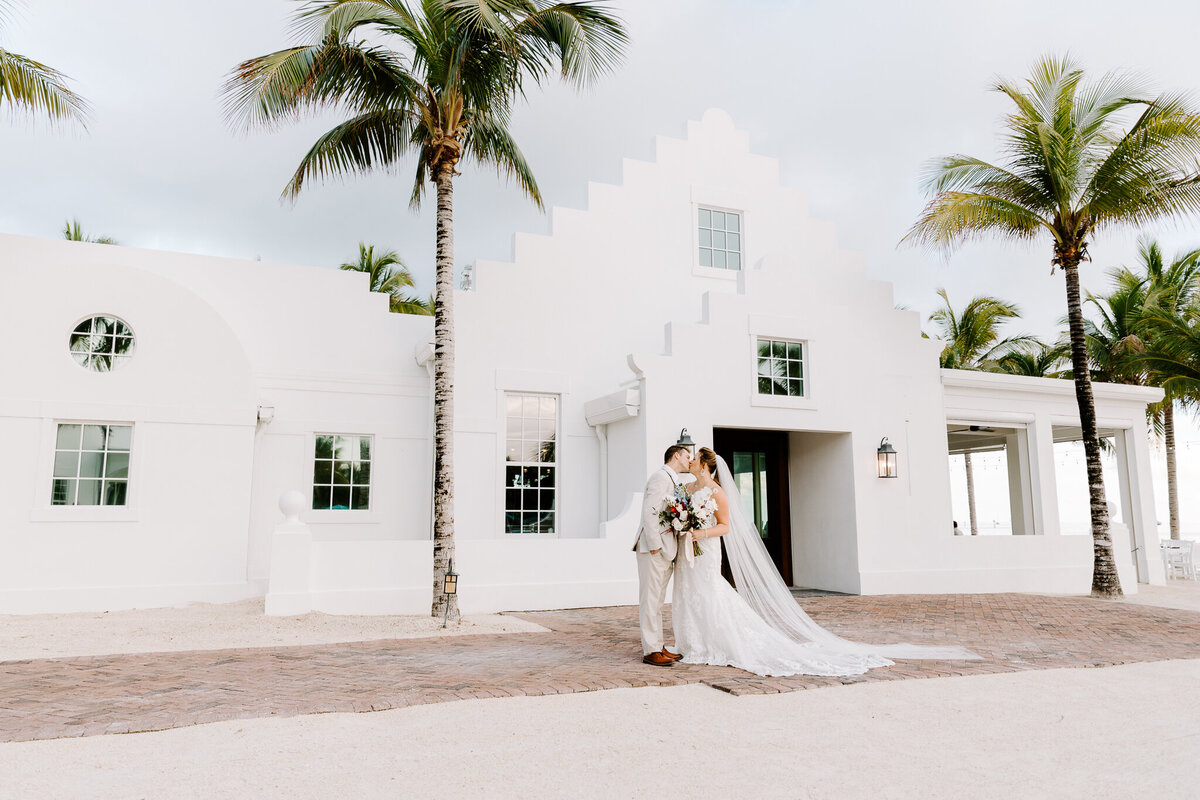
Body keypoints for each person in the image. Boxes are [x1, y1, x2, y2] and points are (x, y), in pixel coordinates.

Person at [671, 447, 979, 677]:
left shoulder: (717, 492)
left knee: (710, 593)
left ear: (705, 465)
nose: (691, 460)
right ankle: (692, 643)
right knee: (688, 593)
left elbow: (726, 526)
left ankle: (715, 643)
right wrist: (683, 524)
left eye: (695, 457)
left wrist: (702, 531)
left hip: (707, 549)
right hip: (690, 550)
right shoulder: (690, 488)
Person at [631, 444, 691, 667]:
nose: (689, 460)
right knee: (650, 600)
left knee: (657, 602)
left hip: (666, 549)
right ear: (676, 455)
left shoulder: (674, 480)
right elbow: (650, 511)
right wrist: (656, 546)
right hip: (653, 549)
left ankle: (658, 645)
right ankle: (650, 650)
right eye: (687, 455)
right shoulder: (660, 477)